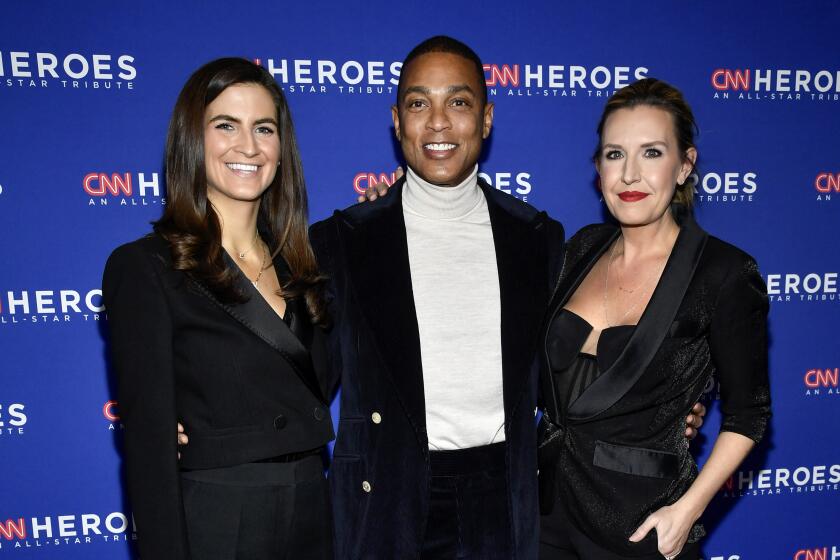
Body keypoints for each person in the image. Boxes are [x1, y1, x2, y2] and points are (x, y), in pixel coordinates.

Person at [103, 58, 334, 560]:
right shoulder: (146, 267)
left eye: (264, 129)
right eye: (225, 125)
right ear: (192, 138)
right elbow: (148, 450)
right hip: (218, 515)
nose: (248, 146)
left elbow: (321, 378)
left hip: (314, 505)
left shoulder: (302, 265)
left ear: (281, 148)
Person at [537, 78, 771, 560]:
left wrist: (686, 512)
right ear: (598, 168)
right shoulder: (581, 247)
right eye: (615, 154)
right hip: (544, 513)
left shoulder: (723, 273)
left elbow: (749, 415)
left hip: (641, 525)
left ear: (684, 166)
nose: (629, 176)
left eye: (652, 153)